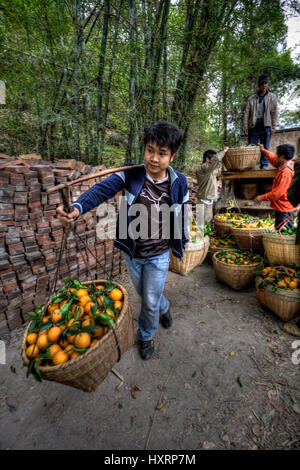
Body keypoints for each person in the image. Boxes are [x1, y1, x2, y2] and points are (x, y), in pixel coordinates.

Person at [56, 121, 189, 361]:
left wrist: (183, 240)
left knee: (148, 300)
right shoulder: (130, 174)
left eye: (162, 153)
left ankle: (146, 336)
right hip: (133, 253)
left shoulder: (178, 182)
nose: (154, 159)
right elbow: (101, 190)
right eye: (150, 150)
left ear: (172, 156)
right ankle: (165, 307)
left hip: (159, 255)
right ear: (144, 149)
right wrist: (76, 208)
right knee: (147, 295)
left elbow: (183, 211)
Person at [253, 143, 298, 229]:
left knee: (283, 233)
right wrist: (264, 150)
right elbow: (273, 159)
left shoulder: (286, 173)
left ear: (282, 157)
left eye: (277, 154)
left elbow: (276, 194)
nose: (275, 156)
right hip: (285, 208)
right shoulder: (287, 163)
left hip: (285, 209)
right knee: (281, 231)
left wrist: (261, 197)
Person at [243, 74, 278, 169]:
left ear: (267, 84)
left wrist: (274, 124)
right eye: (262, 83)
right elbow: (247, 113)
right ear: (259, 85)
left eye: (266, 83)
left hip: (266, 124)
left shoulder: (272, 97)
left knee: (265, 145)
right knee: (252, 146)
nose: (264, 85)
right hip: (253, 124)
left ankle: (264, 164)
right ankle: (251, 165)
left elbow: (274, 111)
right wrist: (245, 125)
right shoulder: (252, 98)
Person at [196, 148, 228, 225]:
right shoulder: (202, 168)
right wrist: (223, 151)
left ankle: (205, 236)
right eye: (213, 158)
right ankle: (200, 236)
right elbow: (216, 160)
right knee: (202, 224)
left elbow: (219, 169)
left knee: (208, 222)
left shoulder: (210, 171)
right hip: (204, 200)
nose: (214, 161)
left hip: (209, 200)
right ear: (207, 159)